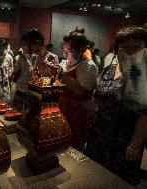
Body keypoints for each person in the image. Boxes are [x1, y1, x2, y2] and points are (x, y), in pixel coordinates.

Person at [85, 26, 147, 185]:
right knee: (93, 175)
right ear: (116, 49)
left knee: (116, 181)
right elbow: (98, 95)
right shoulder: (110, 66)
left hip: (123, 141)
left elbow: (144, 116)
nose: (130, 52)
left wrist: (134, 146)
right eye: (125, 47)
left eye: (137, 48)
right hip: (99, 133)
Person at [56, 29, 98, 151]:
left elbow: (81, 90)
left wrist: (62, 76)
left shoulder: (88, 66)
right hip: (64, 106)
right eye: (63, 50)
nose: (64, 54)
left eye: (67, 51)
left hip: (78, 110)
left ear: (79, 50)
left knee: (75, 141)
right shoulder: (67, 62)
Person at [11, 34, 33, 111]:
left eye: (24, 44)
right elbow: (16, 69)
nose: (23, 46)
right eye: (22, 44)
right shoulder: (22, 56)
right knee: (17, 110)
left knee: (27, 112)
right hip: (20, 87)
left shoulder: (35, 56)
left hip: (30, 89)